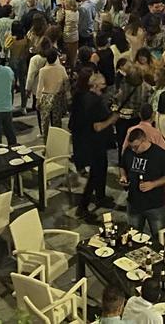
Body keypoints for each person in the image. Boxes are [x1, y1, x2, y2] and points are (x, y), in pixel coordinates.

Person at [73, 72, 119, 221]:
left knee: (102, 167)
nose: (105, 86)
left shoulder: (84, 97)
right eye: (103, 84)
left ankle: (100, 196)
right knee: (95, 174)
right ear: (95, 85)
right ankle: (83, 207)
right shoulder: (94, 102)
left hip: (91, 142)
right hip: (94, 143)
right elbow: (98, 126)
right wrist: (112, 119)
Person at [119, 128, 165, 238]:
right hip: (134, 202)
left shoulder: (159, 154)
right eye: (132, 147)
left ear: (144, 140)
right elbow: (122, 166)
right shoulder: (129, 151)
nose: (134, 150)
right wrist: (123, 176)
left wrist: (153, 184)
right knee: (133, 236)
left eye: (136, 146)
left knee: (159, 238)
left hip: (154, 205)